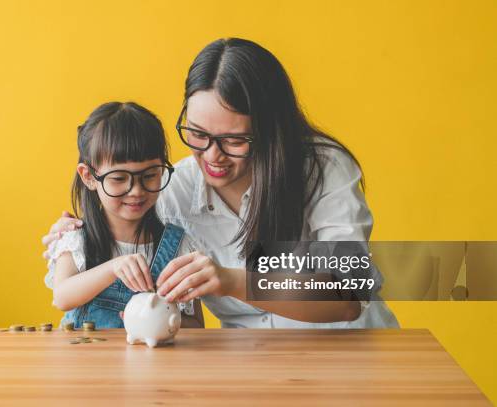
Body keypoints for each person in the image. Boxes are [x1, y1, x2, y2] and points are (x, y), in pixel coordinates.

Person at [43, 38, 398, 329]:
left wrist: (231, 280)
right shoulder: (172, 187)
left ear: (270, 132)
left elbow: (347, 297)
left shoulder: (323, 169)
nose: (213, 156)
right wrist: (79, 228)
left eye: (234, 140)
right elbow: (117, 232)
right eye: (197, 134)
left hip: (349, 355)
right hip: (250, 369)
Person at [45, 101, 203, 329]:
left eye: (149, 175)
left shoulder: (178, 246)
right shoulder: (76, 239)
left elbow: (197, 325)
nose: (137, 191)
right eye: (119, 178)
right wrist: (112, 268)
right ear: (89, 177)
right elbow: (62, 297)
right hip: (85, 363)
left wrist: (158, 315)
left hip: (153, 364)